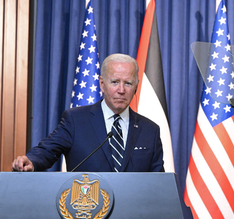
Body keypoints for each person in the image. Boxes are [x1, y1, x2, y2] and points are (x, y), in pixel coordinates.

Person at [12, 53, 164, 172]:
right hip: (87, 207)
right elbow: (48, 150)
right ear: (102, 84)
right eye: (115, 82)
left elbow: (158, 183)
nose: (121, 90)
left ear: (136, 87)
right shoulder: (76, 120)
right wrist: (31, 160)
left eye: (128, 83)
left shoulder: (150, 130)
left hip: (134, 210)